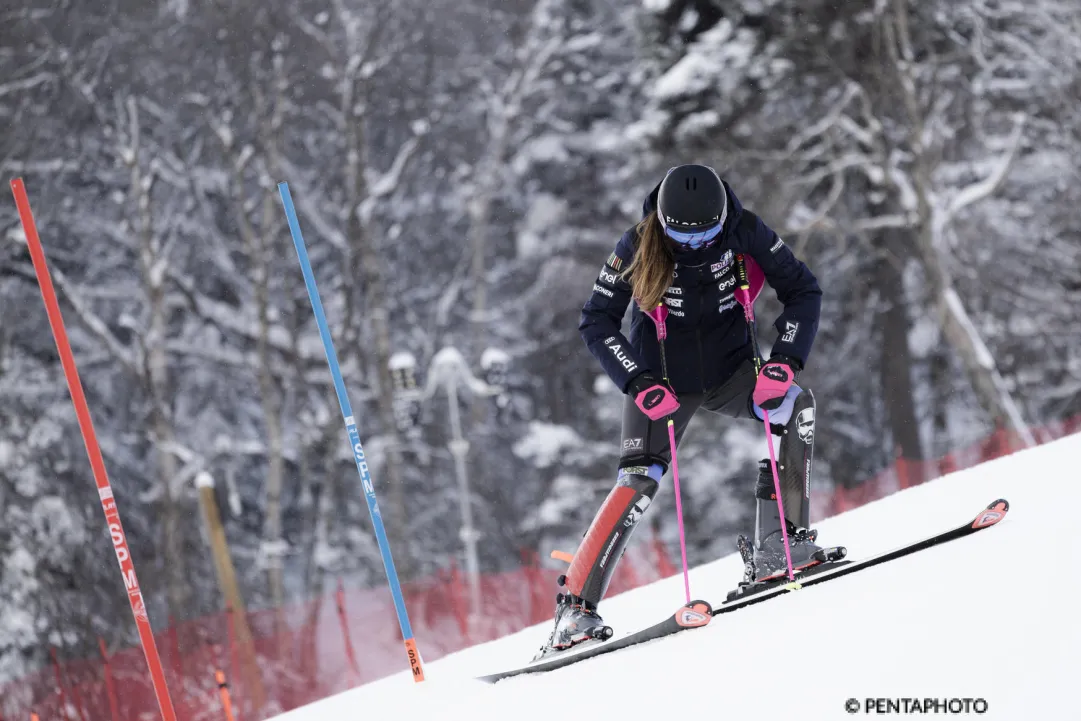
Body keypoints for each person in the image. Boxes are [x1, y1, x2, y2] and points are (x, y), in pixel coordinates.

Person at [536, 164, 839, 659]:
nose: (694, 244)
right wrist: (637, 381)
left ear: (724, 217)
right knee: (638, 479)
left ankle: (779, 547)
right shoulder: (636, 244)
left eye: (706, 235)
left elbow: (803, 291)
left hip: (732, 375)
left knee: (796, 407)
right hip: (661, 385)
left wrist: (783, 362)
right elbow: (596, 321)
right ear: (662, 221)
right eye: (680, 235)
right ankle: (575, 610)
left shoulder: (747, 230)